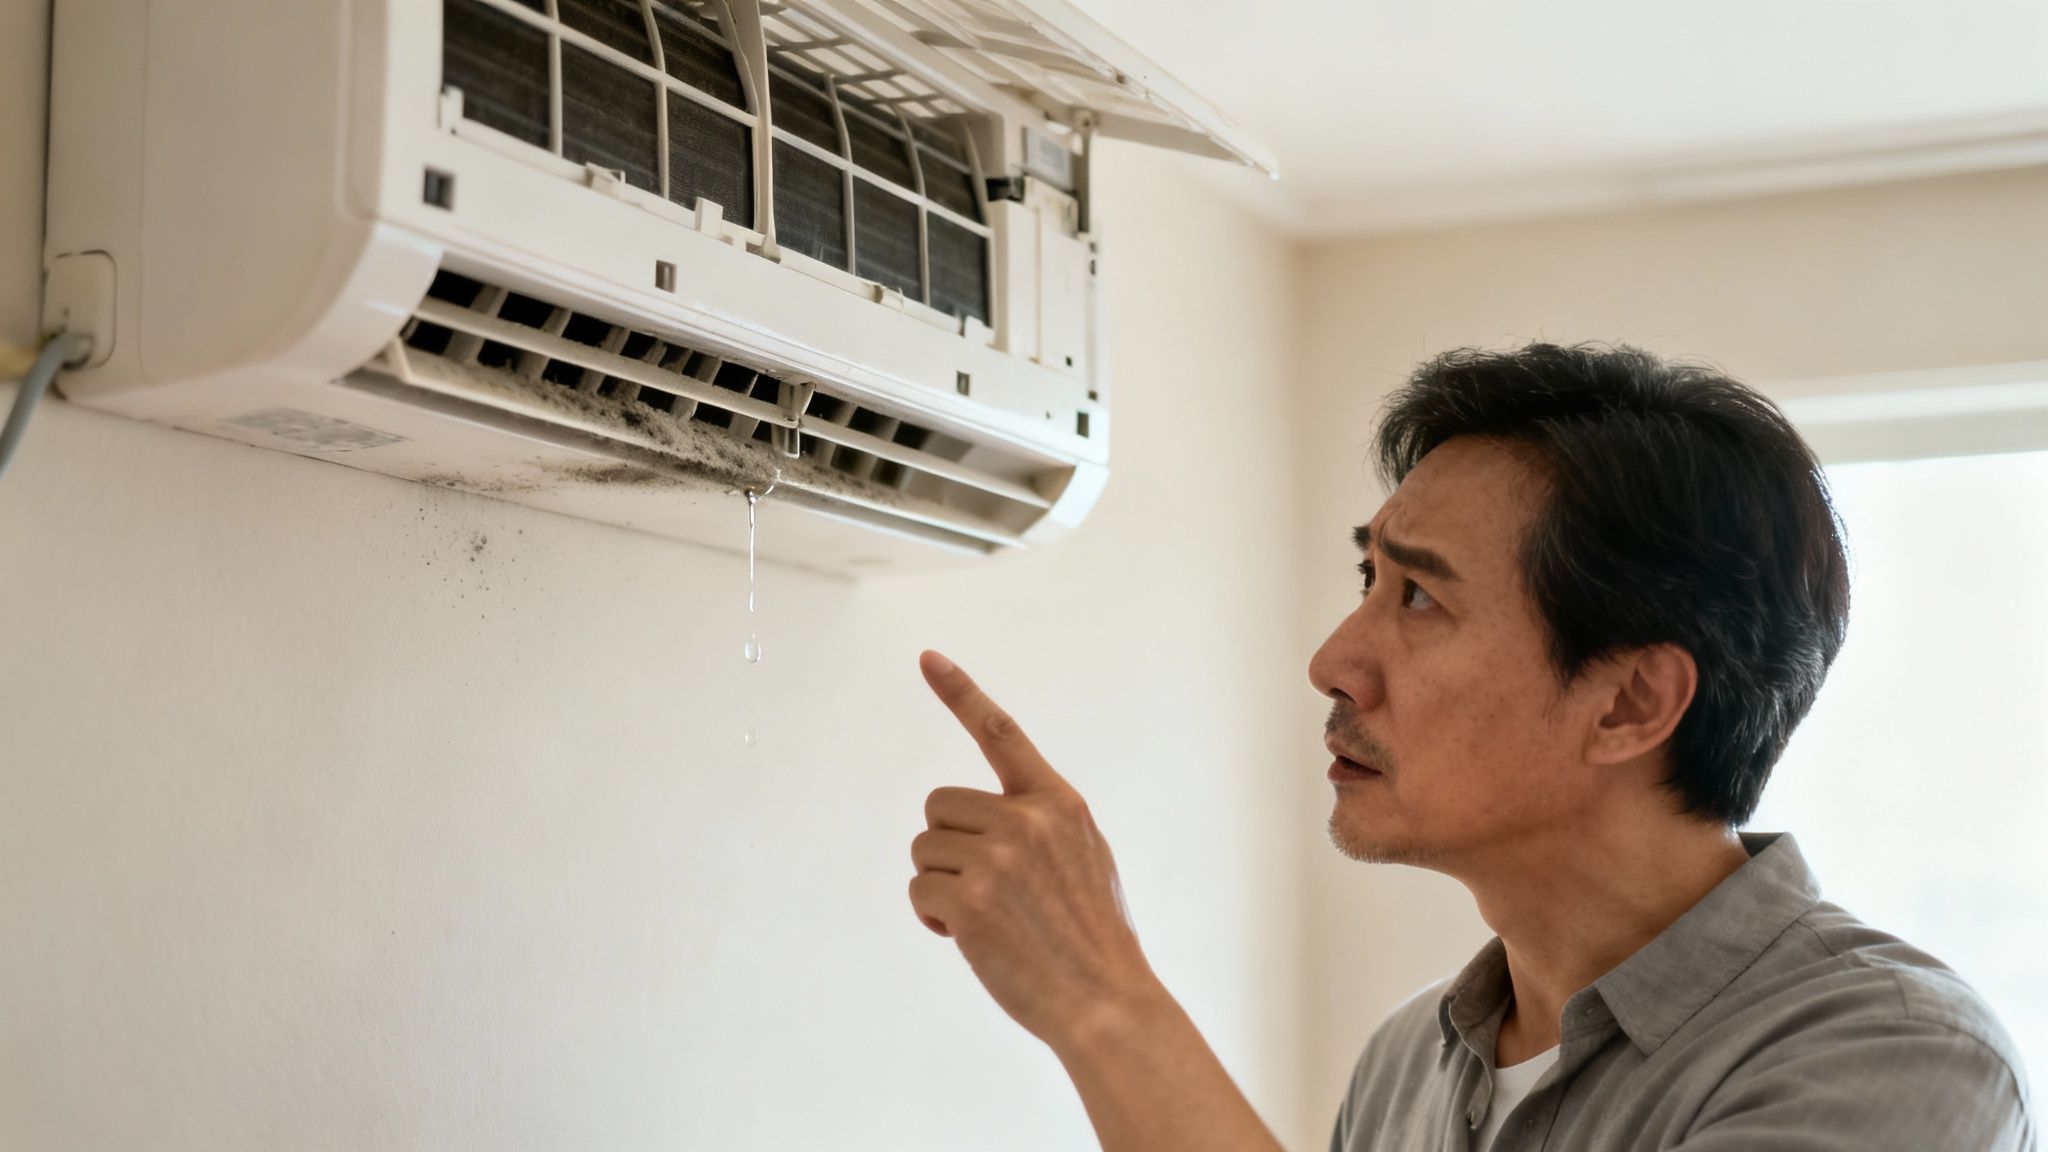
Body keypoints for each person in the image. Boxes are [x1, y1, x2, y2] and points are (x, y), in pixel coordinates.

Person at [906, 342, 2036, 1152]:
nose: (1334, 661)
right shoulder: (1411, 1062)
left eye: (1418, 599)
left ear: (1628, 703)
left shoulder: (1890, 1062)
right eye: (1369, 577)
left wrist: (1105, 1002)